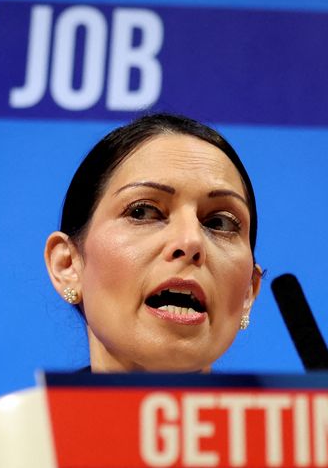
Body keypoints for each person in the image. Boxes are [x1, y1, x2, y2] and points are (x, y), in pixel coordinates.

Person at [44, 113, 263, 372]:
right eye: (142, 212)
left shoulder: (313, 413)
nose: (191, 241)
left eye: (218, 223)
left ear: (248, 292)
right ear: (68, 265)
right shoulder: (12, 414)